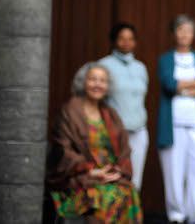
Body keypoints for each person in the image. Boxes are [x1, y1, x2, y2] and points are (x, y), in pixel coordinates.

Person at [46, 62, 143, 223]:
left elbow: (124, 150)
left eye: (102, 81)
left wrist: (116, 171)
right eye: (93, 79)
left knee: (128, 191)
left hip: (110, 176)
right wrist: (91, 172)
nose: (97, 84)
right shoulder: (69, 112)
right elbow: (62, 150)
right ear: (83, 82)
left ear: (108, 86)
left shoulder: (110, 114)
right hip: (77, 180)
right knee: (107, 196)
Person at [157, 14, 195, 224]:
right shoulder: (165, 59)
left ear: (193, 34)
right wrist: (194, 84)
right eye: (181, 30)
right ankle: (176, 213)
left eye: (188, 31)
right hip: (172, 125)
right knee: (173, 170)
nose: (184, 34)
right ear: (174, 33)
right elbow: (169, 84)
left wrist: (183, 85)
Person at [99, 22, 149, 190]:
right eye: (122, 38)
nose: (126, 42)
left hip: (139, 131)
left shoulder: (140, 67)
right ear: (114, 40)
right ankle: (114, 215)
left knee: (136, 180)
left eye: (130, 39)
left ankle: (131, 216)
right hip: (114, 131)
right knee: (115, 176)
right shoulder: (104, 65)